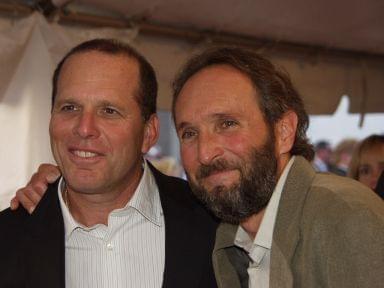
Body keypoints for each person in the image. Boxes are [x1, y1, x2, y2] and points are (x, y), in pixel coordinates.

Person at [12, 47, 384, 288]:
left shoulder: (342, 217)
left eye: (227, 123)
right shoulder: (232, 232)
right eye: (190, 132)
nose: (206, 152)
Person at [0, 39, 218, 288]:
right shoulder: (8, 238)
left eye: (109, 111)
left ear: (148, 133)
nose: (84, 128)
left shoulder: (216, 224)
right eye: (70, 107)